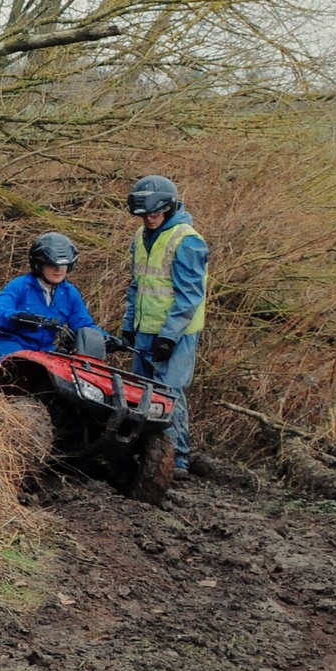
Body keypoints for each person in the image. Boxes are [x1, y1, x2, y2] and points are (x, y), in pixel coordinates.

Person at [120, 174, 210, 475]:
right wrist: (129, 324)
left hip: (177, 333)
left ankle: (177, 459)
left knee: (168, 393)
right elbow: (137, 285)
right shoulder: (140, 237)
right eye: (144, 215)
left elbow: (189, 297)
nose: (149, 220)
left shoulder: (187, 241)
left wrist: (169, 336)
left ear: (168, 208)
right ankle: (145, 455)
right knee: (141, 392)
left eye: (154, 214)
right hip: (146, 329)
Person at [0, 232, 98, 363]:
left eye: (63, 265)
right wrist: (17, 317)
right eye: (51, 264)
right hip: (11, 343)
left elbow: (84, 324)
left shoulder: (70, 293)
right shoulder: (21, 285)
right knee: (16, 365)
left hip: (45, 350)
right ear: (39, 265)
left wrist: (108, 340)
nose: (58, 270)